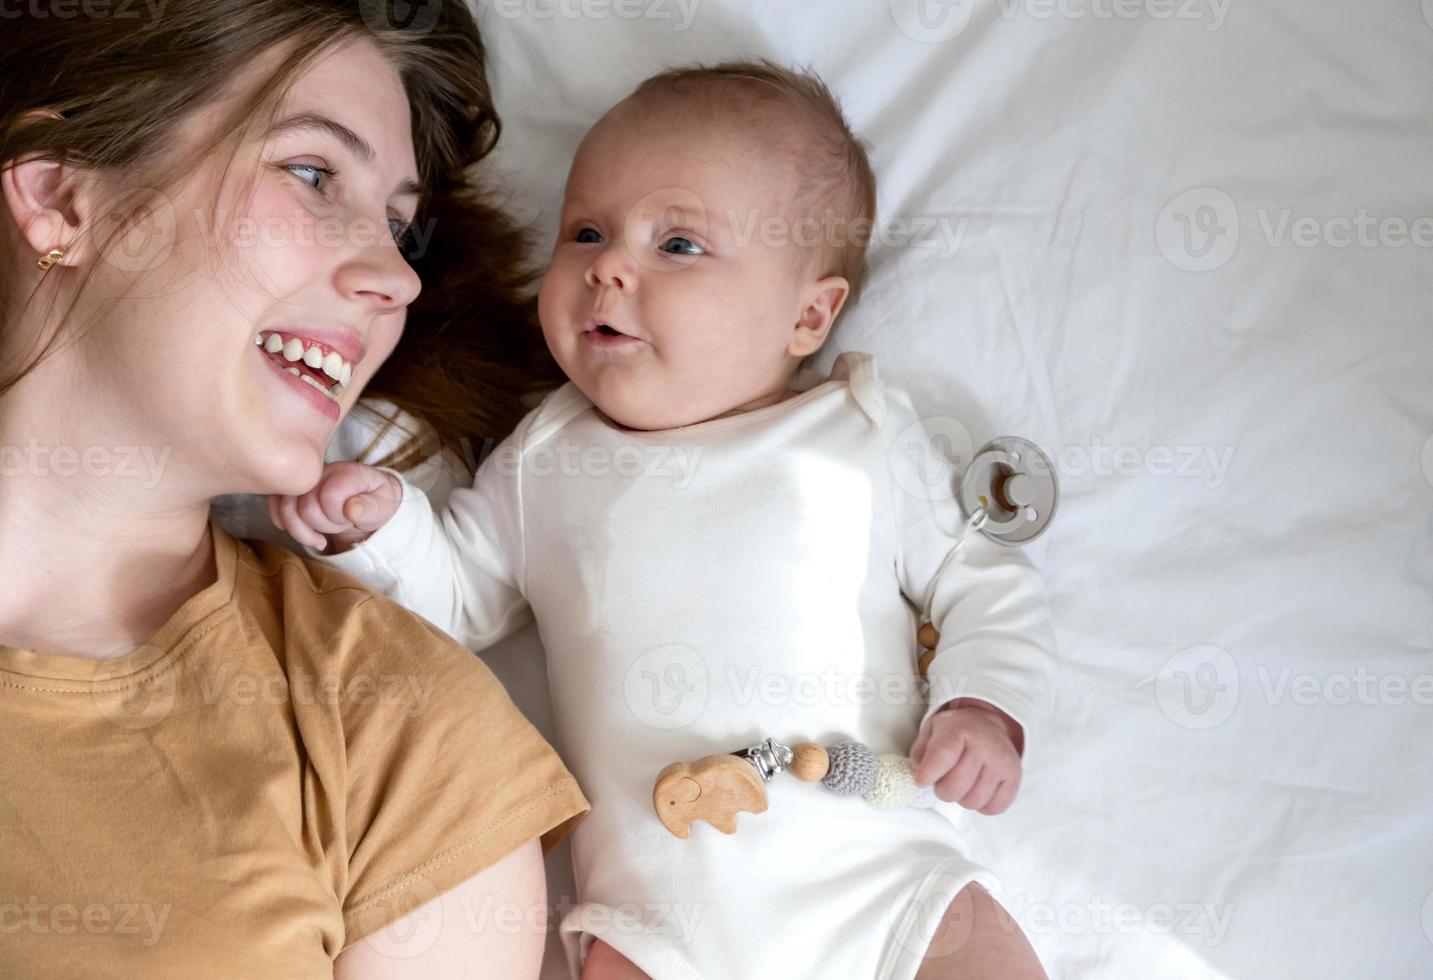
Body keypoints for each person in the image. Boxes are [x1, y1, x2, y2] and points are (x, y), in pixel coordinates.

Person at [272, 62, 1056, 980]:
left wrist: (980, 707)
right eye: (586, 232)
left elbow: (982, 584)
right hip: (661, 916)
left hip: (878, 874)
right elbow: (458, 605)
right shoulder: (546, 458)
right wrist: (383, 524)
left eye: (677, 245)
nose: (608, 265)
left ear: (808, 314)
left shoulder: (859, 434)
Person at [0, 3, 588, 977]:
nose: (397, 277)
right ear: (61, 199)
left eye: (400, 227)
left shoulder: (399, 732)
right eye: (314, 174)